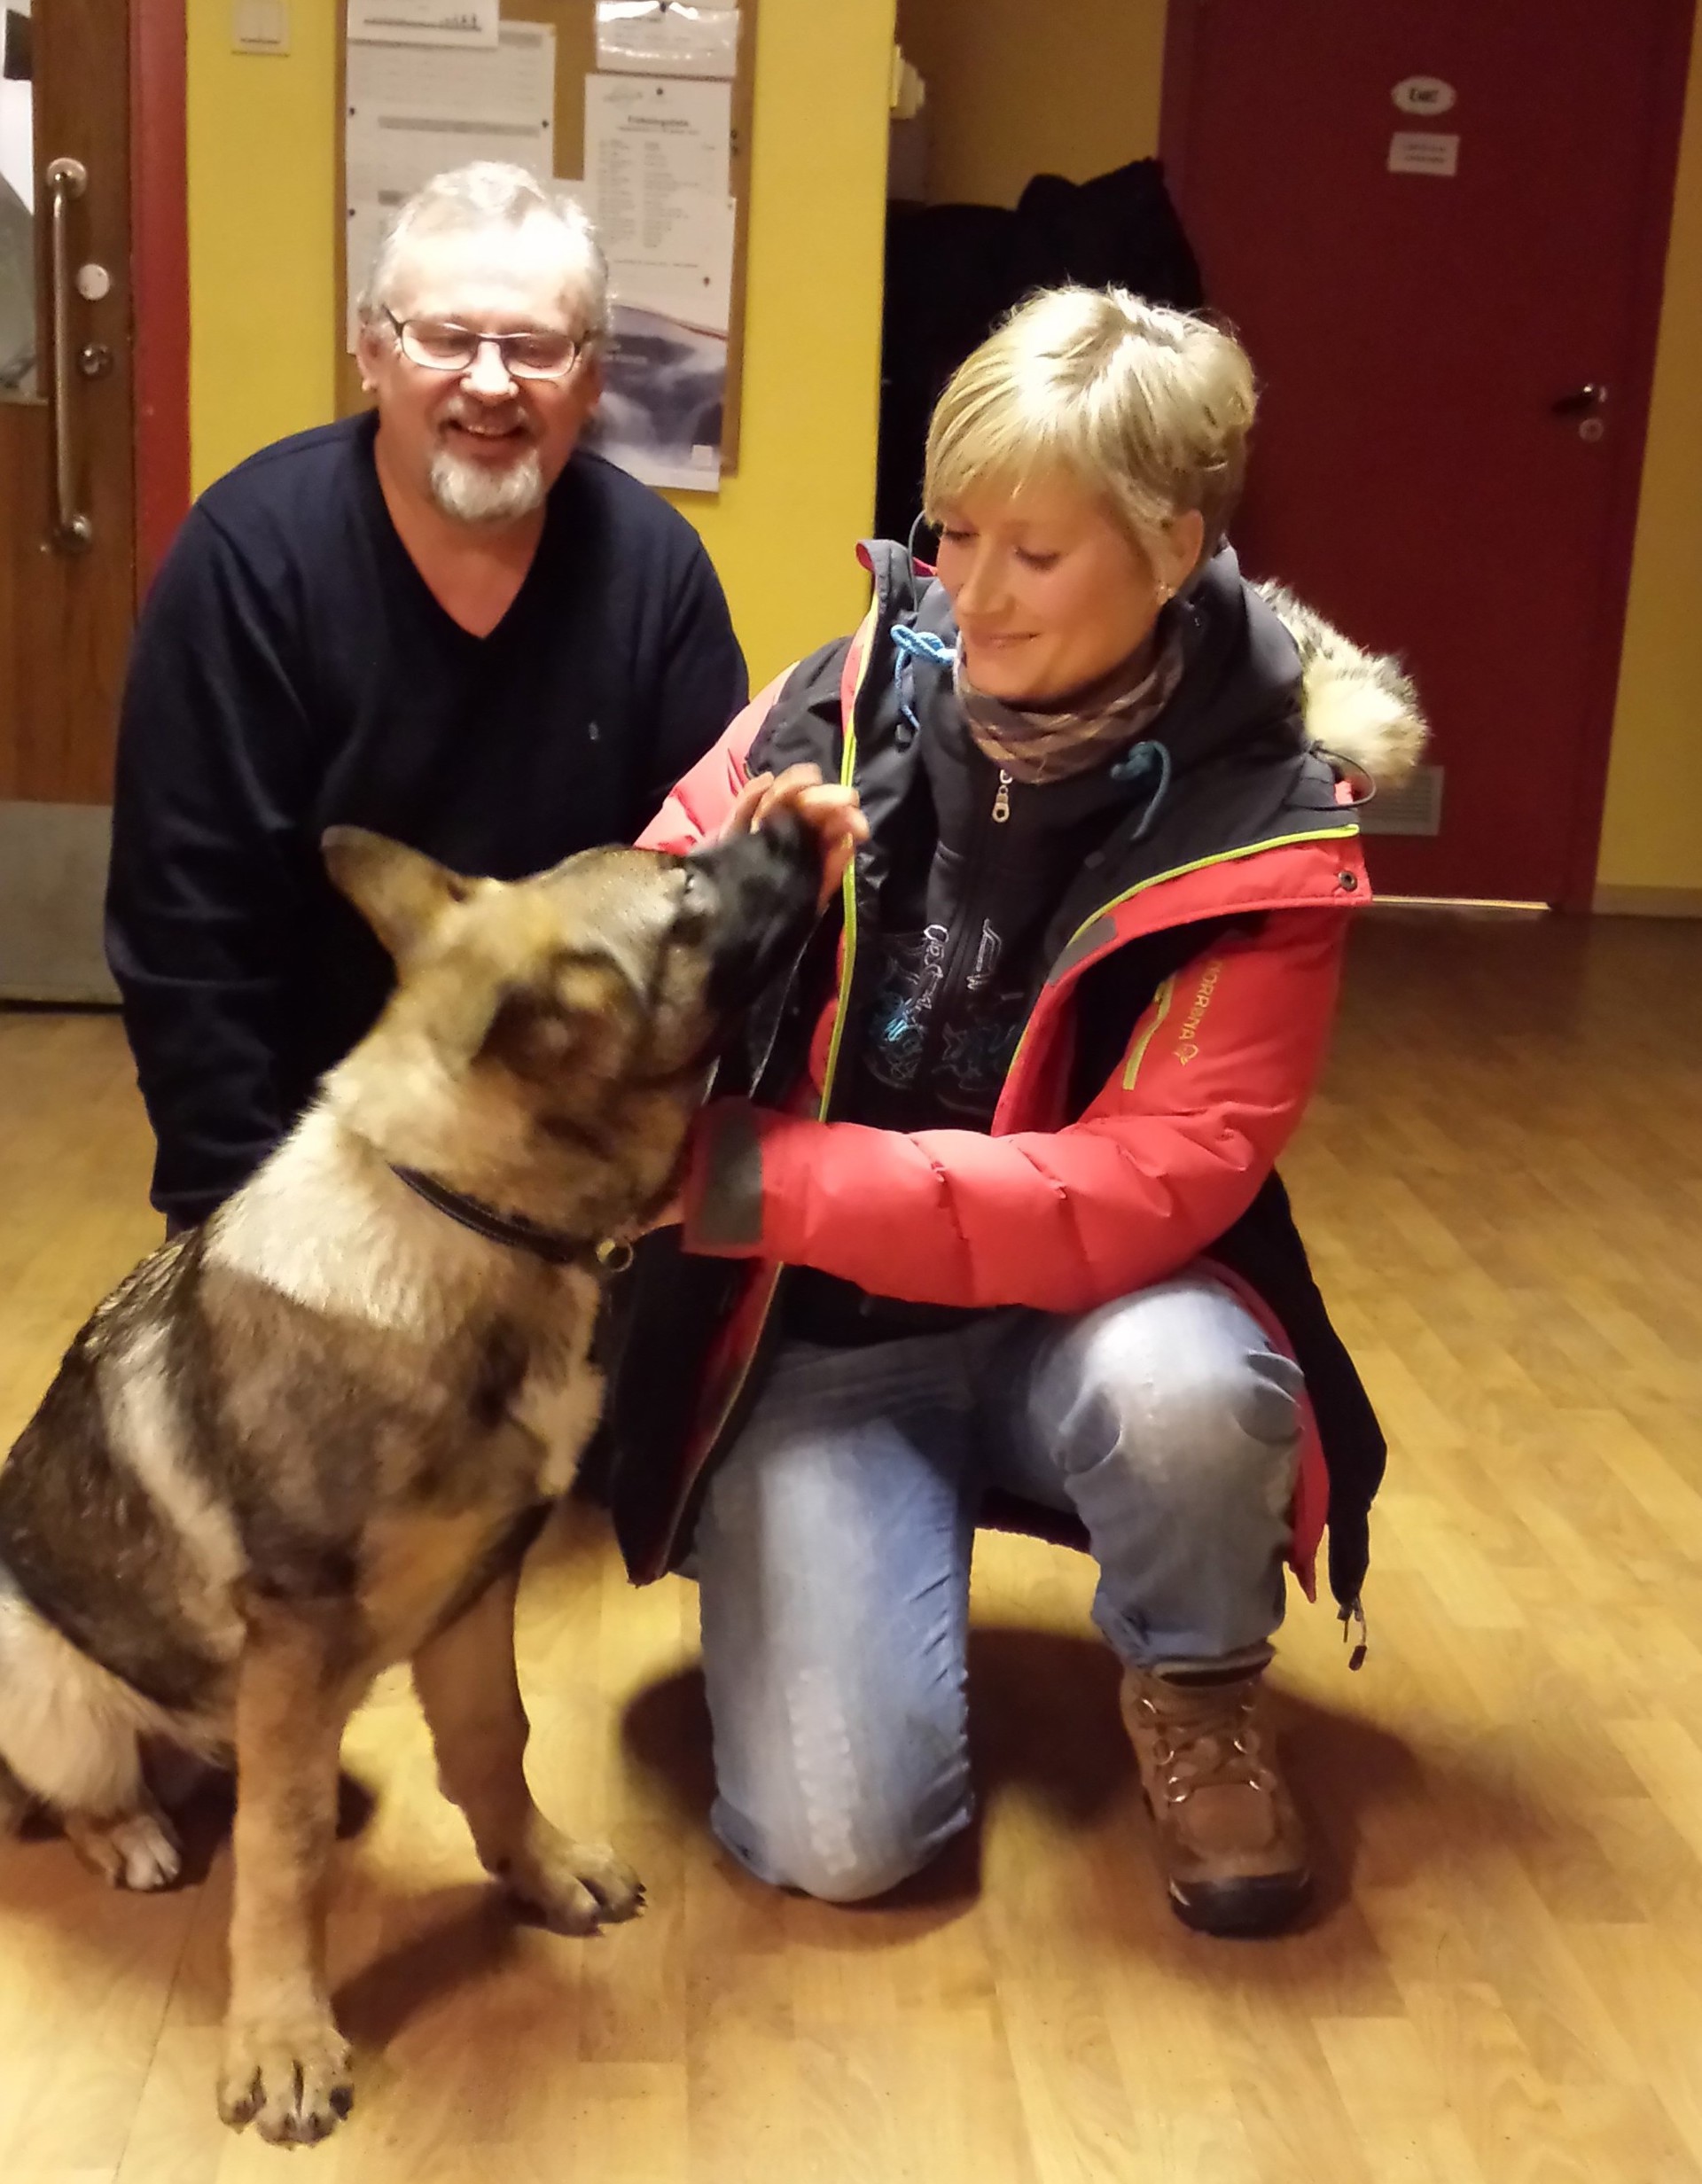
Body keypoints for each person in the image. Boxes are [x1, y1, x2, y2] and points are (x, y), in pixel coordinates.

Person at [606, 286, 1425, 1936]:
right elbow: (624, 945)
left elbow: (1141, 1186)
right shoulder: (833, 696)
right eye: (951, 530)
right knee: (842, 1843)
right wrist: (735, 899)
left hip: (1096, 1321)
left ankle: (1197, 1683)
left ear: (1176, 541)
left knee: (1194, 1383)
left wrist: (752, 1175)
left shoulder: (1274, 809)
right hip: (824, 1340)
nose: (967, 595)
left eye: (1033, 555)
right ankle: (846, 1535)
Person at [106, 162, 746, 1229]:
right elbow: (188, 941)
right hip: (305, 1161)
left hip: (576, 1179)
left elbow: (694, 918)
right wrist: (237, 1221)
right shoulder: (246, 562)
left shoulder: (657, 576)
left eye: (536, 348)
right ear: (371, 352)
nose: (490, 384)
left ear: (591, 380)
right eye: (444, 338)